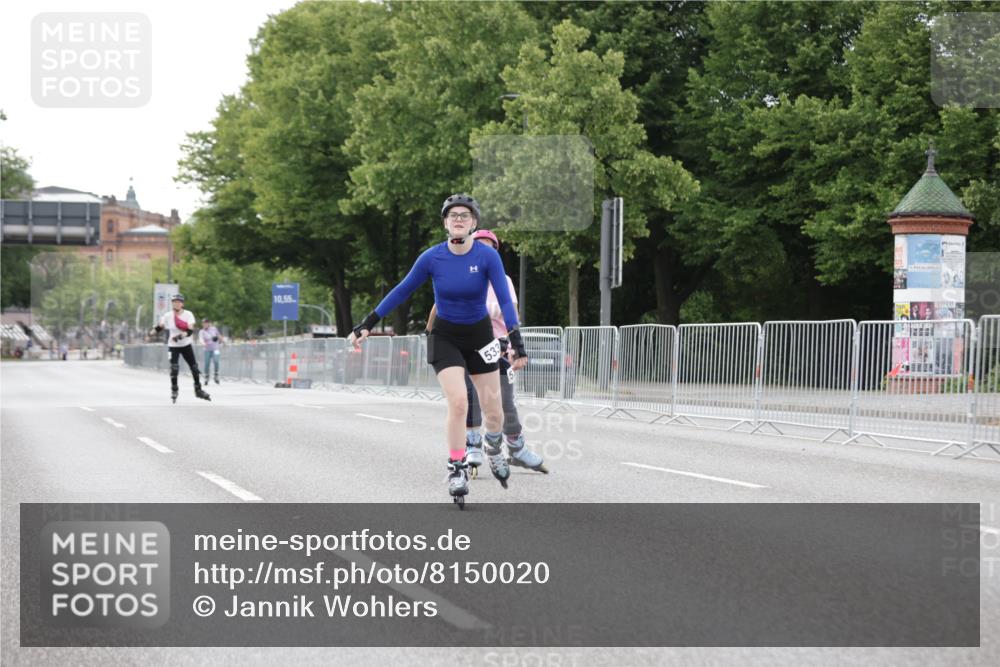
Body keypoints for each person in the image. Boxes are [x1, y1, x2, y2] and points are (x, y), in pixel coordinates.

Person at [348, 194, 528, 508]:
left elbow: (504, 299)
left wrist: (517, 341)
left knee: (494, 411)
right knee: (459, 402)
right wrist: (369, 321)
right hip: (445, 336)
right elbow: (402, 289)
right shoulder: (432, 257)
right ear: (445, 222)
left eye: (465, 215)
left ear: (474, 223)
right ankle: (456, 466)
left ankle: (494, 448)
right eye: (453, 215)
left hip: (481, 337)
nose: (459, 219)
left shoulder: (488, 259)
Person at [427, 229, 546, 477]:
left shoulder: (503, 280)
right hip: (467, 345)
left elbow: (511, 312)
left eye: (489, 246)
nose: (484, 250)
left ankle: (516, 446)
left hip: (498, 346)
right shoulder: (460, 274)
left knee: (503, 402)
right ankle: (471, 446)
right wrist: (430, 335)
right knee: (468, 397)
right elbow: (439, 306)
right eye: (479, 244)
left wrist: (514, 345)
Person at [149, 294, 211, 403]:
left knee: (194, 368)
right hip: (173, 346)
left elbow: (190, 329)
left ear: (182, 304)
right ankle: (174, 389)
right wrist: (151, 333)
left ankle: (198, 390)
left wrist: (182, 335)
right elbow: (160, 326)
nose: (176, 304)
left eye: (179, 302)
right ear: (172, 303)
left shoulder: (188, 314)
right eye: (174, 302)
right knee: (174, 368)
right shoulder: (168, 315)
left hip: (186, 345)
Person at [200, 318, 223, 384]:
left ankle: (216, 375)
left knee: (216, 361)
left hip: (216, 348)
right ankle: (206, 377)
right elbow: (201, 339)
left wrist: (222, 341)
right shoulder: (201, 331)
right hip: (207, 349)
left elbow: (218, 335)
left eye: (206, 323)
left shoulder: (214, 329)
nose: (205, 324)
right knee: (207, 363)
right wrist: (203, 343)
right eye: (204, 323)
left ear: (209, 323)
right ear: (202, 324)